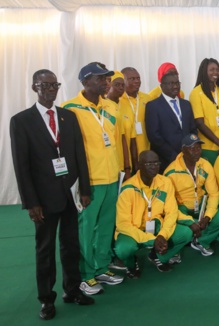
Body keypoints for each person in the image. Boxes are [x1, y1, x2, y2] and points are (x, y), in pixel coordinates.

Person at [11, 69, 95, 320]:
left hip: (70, 194)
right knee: (45, 250)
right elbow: (21, 165)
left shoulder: (69, 117)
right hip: (43, 199)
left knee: (71, 245)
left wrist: (86, 190)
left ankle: (73, 290)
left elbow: (80, 155)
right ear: (34, 87)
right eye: (44, 85)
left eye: (54, 84)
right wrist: (31, 203)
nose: (50, 89)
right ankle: (46, 300)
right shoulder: (21, 121)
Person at [61, 62, 123, 295]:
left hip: (111, 177)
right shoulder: (70, 109)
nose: (105, 82)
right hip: (89, 180)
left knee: (106, 226)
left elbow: (114, 141)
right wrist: (78, 184)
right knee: (86, 229)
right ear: (86, 82)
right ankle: (85, 275)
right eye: (100, 78)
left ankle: (101, 267)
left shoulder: (111, 106)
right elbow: (69, 149)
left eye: (106, 78)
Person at [114, 151, 193, 276]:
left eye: (157, 163)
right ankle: (131, 263)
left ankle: (158, 256)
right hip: (134, 231)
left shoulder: (165, 182)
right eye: (149, 164)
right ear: (139, 165)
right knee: (123, 249)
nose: (154, 167)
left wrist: (162, 235)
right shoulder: (127, 188)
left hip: (157, 227)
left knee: (186, 233)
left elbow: (171, 212)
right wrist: (153, 240)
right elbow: (123, 224)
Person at [164, 134, 219, 260]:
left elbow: (214, 194)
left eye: (198, 148)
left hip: (200, 205)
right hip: (181, 208)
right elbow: (169, 207)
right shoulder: (171, 172)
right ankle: (175, 248)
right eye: (192, 148)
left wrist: (208, 216)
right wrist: (189, 222)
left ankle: (200, 241)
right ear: (183, 150)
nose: (197, 151)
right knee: (177, 226)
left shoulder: (205, 165)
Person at [146, 71, 197, 172]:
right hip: (166, 160)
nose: (175, 86)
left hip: (188, 158)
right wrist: (172, 155)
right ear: (162, 86)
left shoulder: (186, 104)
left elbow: (193, 129)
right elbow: (154, 136)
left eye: (177, 83)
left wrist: (190, 151)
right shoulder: (153, 106)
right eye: (171, 84)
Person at [190, 58, 219, 165]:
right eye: (212, 70)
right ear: (204, 71)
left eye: (217, 70)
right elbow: (199, 123)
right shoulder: (196, 93)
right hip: (208, 148)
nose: (215, 72)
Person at [107, 71, 136, 180]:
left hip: (125, 164)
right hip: (111, 164)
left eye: (122, 85)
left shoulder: (126, 106)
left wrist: (129, 167)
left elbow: (131, 140)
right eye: (117, 85)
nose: (120, 88)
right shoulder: (104, 107)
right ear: (109, 85)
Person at [119, 67, 152, 156]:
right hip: (126, 154)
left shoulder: (147, 98)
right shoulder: (118, 100)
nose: (137, 81)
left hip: (146, 151)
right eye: (132, 79)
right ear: (123, 81)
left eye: (138, 78)